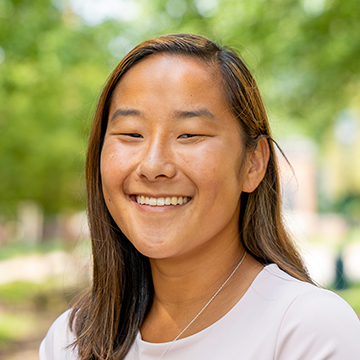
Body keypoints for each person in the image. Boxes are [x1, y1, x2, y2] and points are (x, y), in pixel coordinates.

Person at [39, 33, 360, 360]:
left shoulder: (307, 330)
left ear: (253, 163)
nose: (153, 166)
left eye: (189, 135)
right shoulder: (71, 341)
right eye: (132, 134)